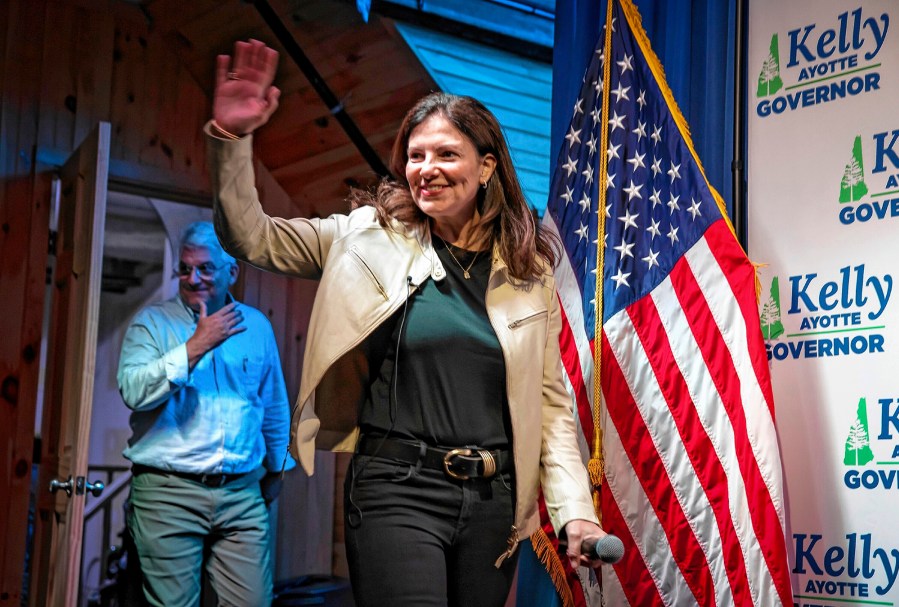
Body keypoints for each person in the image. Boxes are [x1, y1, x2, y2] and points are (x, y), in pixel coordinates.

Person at [206, 39, 608, 607]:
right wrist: (232, 139)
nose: (426, 170)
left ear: (487, 166)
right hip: (397, 489)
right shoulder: (363, 237)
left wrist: (576, 518)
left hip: (494, 505)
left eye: (446, 154)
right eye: (415, 156)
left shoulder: (527, 271)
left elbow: (550, 408)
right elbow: (250, 236)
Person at [117, 221, 295, 607]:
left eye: (205, 268)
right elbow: (133, 391)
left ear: (232, 271)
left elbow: (273, 405)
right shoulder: (153, 324)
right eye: (185, 268)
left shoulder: (257, 327)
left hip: (242, 494)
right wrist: (195, 346)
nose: (193, 278)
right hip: (168, 492)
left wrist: (278, 469)